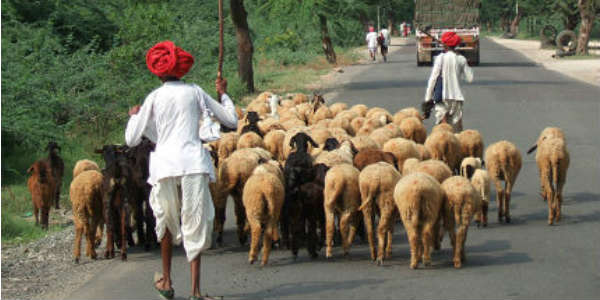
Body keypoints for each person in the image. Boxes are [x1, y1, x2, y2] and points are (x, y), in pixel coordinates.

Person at [125, 40, 238, 300]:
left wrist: (134, 115)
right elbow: (230, 120)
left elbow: (132, 139)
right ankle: (196, 292)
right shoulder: (195, 92)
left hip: (164, 164)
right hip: (193, 163)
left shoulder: (153, 97)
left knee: (165, 220)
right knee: (194, 221)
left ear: (158, 71)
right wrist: (223, 94)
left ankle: (166, 280)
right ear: (182, 69)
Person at [424, 31, 473, 132]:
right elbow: (470, 78)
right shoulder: (461, 59)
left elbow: (432, 80)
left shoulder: (440, 58)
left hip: (442, 99)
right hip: (456, 99)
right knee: (456, 132)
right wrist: (462, 64)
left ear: (444, 45)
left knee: (442, 130)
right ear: (456, 44)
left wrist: (427, 99)